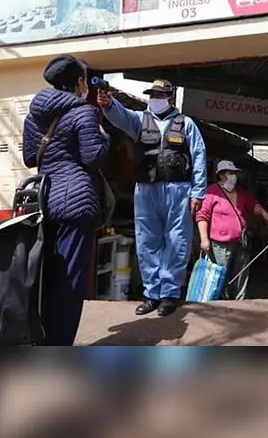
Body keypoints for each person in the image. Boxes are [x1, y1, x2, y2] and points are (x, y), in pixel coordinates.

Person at [97, 79, 207, 317]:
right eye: (152, 94)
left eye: (160, 94)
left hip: (178, 189)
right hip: (146, 189)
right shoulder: (139, 120)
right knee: (147, 241)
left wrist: (198, 191)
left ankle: (169, 294)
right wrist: (108, 104)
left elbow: (198, 156)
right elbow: (120, 115)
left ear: (169, 97)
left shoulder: (186, 124)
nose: (155, 98)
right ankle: (151, 294)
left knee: (177, 242)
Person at [22, 55, 111, 346]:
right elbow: (93, 157)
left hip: (44, 201)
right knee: (70, 281)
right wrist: (103, 137)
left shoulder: (35, 115)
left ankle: (41, 337)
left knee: (46, 275)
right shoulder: (84, 112)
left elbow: (28, 158)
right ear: (79, 82)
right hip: (75, 203)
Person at [195, 160, 268, 300]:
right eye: (229, 173)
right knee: (221, 277)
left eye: (234, 173)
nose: (233, 176)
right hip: (220, 245)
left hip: (241, 242)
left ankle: (240, 302)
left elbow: (253, 205)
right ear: (221, 175)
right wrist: (204, 239)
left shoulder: (240, 192)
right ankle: (223, 304)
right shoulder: (212, 192)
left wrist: (265, 214)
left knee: (241, 275)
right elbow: (202, 215)